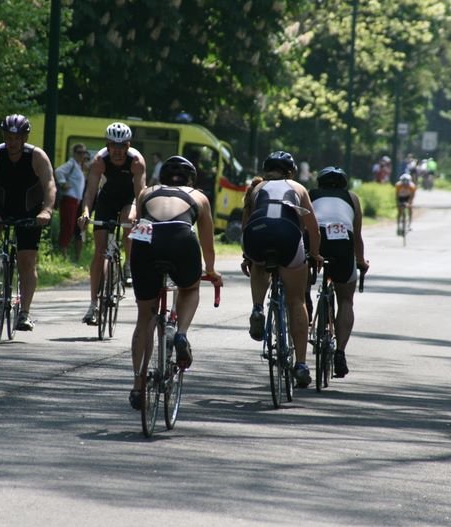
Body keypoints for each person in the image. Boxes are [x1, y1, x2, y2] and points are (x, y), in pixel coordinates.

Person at [127, 156, 223, 409]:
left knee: (144, 318)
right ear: (192, 179)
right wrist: (211, 270)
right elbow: (207, 242)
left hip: (146, 244)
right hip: (182, 240)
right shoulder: (199, 197)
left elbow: (136, 227)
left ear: (162, 177)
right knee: (190, 288)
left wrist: (133, 263)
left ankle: (138, 386)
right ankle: (180, 333)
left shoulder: (147, 192)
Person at [241, 151, 323, 388]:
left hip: (258, 234)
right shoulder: (298, 188)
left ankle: (257, 308)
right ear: (290, 172)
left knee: (257, 262)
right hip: (287, 236)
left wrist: (247, 256)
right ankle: (300, 364)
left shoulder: (255, 189)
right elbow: (313, 228)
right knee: (296, 301)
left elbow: (246, 226)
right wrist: (315, 254)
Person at [0, 114, 56, 331]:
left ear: (24, 137)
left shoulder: (37, 156)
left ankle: (24, 313)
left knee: (26, 261)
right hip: (0, 207)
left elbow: (50, 185)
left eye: (16, 138)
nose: (11, 142)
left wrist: (47, 210)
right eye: (8, 137)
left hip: (29, 210)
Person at [78, 122, 147, 324]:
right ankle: (93, 304)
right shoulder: (99, 161)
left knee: (128, 219)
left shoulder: (136, 162)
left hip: (129, 199)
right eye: (113, 145)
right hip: (107, 199)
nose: (117, 151)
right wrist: (85, 212)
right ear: (107, 145)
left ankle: (128, 264)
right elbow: (90, 192)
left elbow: (139, 194)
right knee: (99, 252)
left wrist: (140, 217)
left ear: (128, 145)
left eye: (122, 146)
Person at [308, 166, 369, 377]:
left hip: (316, 241)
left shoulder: (310, 195)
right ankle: (340, 352)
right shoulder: (352, 198)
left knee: (298, 288)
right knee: (346, 300)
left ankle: (304, 304)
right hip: (343, 241)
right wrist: (361, 261)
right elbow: (357, 236)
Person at [53, 143, 87, 258]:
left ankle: (65, 251)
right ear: (74, 153)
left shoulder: (79, 166)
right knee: (67, 225)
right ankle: (63, 252)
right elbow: (58, 171)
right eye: (79, 152)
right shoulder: (71, 164)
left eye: (83, 152)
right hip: (69, 198)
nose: (82, 155)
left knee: (72, 226)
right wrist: (62, 183)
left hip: (75, 200)